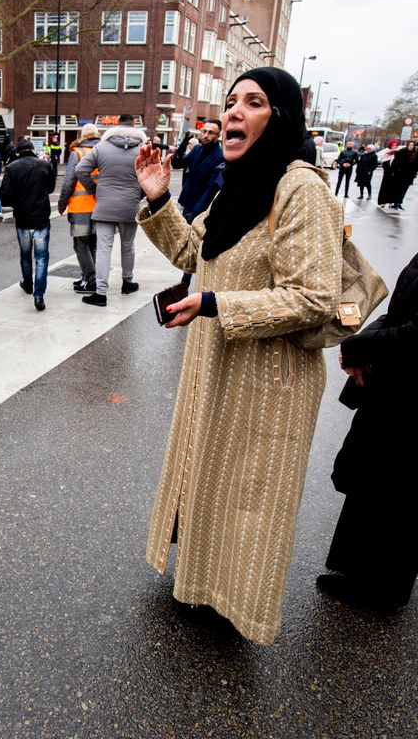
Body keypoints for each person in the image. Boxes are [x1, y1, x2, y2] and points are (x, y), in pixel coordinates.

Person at [133, 67, 344, 645]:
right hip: (219, 362)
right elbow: (193, 252)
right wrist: (158, 196)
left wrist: (214, 304)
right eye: (230, 101)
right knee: (210, 473)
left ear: (281, 118)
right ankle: (204, 583)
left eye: (253, 102)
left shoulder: (301, 190)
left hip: (269, 377)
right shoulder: (238, 185)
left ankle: (236, 601)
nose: (233, 112)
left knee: (249, 492)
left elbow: (314, 296)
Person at [317, 251, 418, 611]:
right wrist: (359, 345)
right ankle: (358, 571)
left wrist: (359, 346)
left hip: (410, 394)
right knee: (374, 476)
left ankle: (383, 590)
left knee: (397, 488)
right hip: (396, 384)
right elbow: (400, 313)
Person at [75, 113, 147, 307]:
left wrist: (94, 190)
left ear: (116, 125)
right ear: (134, 126)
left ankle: (100, 293)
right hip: (130, 205)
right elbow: (149, 177)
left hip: (105, 205)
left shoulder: (102, 147)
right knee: (128, 246)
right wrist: (138, 194)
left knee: (104, 250)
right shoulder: (142, 149)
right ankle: (127, 283)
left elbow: (80, 170)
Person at [0, 138, 56, 311]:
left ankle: (28, 284)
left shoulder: (12, 168)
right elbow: (51, 188)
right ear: (32, 150)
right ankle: (39, 295)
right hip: (41, 217)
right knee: (42, 257)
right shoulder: (45, 165)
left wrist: (19, 201)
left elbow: (4, 196)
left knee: (25, 255)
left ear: (18, 152)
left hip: (22, 218)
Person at [170, 121, 225, 288]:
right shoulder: (197, 149)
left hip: (204, 206)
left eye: (211, 132)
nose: (206, 135)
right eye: (204, 131)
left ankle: (189, 281)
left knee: (200, 243)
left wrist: (197, 211)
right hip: (189, 200)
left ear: (218, 135)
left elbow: (211, 187)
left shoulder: (220, 155)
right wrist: (183, 144)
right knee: (187, 241)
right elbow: (177, 163)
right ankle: (186, 279)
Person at [57, 123, 100, 293]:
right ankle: (88, 277)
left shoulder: (78, 153)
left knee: (81, 246)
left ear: (83, 136)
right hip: (100, 207)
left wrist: (61, 204)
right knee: (93, 245)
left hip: (81, 208)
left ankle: (90, 280)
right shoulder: (103, 151)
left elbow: (69, 182)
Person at [386, 140, 418, 211]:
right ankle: (395, 203)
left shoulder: (415, 153)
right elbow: (395, 162)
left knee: (404, 190)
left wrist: (415, 172)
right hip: (400, 174)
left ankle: (399, 203)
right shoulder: (401, 152)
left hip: (409, 175)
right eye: (410, 145)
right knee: (397, 189)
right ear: (407, 145)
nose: (411, 146)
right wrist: (395, 171)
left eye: (412, 145)